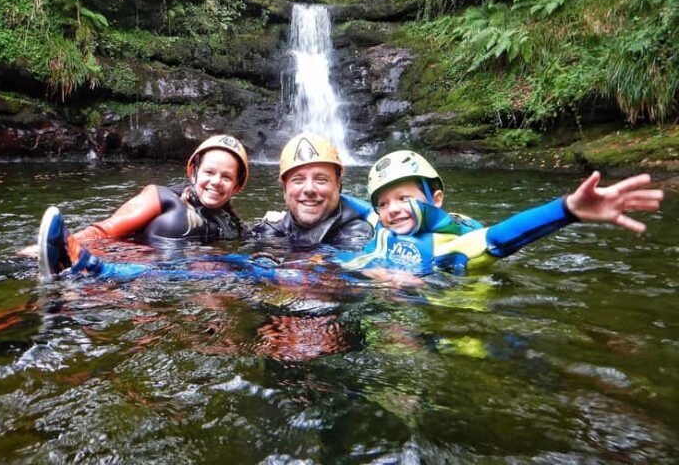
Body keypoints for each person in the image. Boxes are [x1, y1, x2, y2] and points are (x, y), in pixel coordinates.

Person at [338, 150, 665, 283]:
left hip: (442, 313)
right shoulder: (383, 225)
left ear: (435, 199)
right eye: (384, 203)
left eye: (404, 198)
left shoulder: (450, 246)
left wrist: (567, 210)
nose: (392, 208)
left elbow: (500, 237)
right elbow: (358, 207)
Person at [36, 134, 249, 280]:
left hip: (178, 286)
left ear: (237, 186)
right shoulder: (162, 197)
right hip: (120, 277)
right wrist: (61, 245)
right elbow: (104, 231)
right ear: (193, 172)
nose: (216, 182)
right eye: (209, 172)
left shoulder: (233, 226)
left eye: (226, 177)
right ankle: (70, 259)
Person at [249, 132, 373, 249]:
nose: (309, 189)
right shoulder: (272, 228)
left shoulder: (356, 235)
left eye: (321, 180)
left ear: (338, 187)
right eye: (298, 180)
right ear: (285, 191)